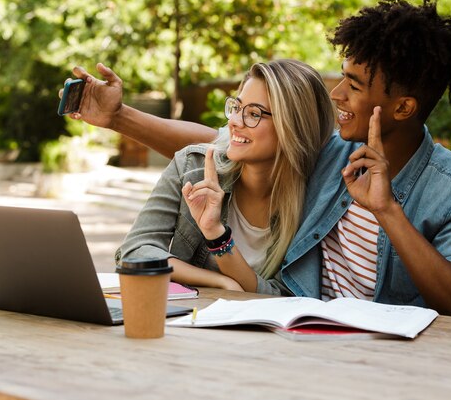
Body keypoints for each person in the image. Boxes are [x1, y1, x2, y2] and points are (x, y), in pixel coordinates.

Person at [60, 0, 451, 320]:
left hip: (391, 359)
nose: (337, 94)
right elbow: (224, 142)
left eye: (354, 85)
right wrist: (119, 117)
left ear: (403, 107)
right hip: (298, 332)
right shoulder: (333, 153)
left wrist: (388, 211)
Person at [117, 60, 335, 293]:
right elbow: (134, 252)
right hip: (189, 321)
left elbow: (285, 295)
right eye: (236, 108)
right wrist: (219, 281)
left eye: (253, 114)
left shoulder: (313, 202)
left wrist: (217, 235)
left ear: (292, 127)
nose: (234, 122)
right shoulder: (193, 166)